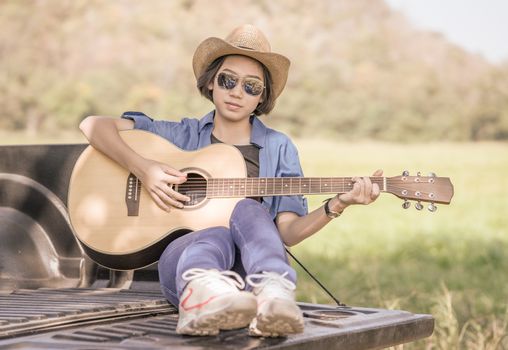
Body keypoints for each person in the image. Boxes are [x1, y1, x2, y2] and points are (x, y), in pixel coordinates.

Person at [79, 24, 382, 337]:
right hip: (184, 269)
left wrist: (338, 204)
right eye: (228, 80)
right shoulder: (183, 135)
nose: (238, 92)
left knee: (249, 210)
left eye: (251, 86)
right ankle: (203, 297)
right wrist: (144, 169)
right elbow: (93, 125)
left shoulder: (279, 148)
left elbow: (287, 233)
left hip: (247, 274)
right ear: (212, 82)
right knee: (216, 233)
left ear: (261, 97)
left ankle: (273, 295)